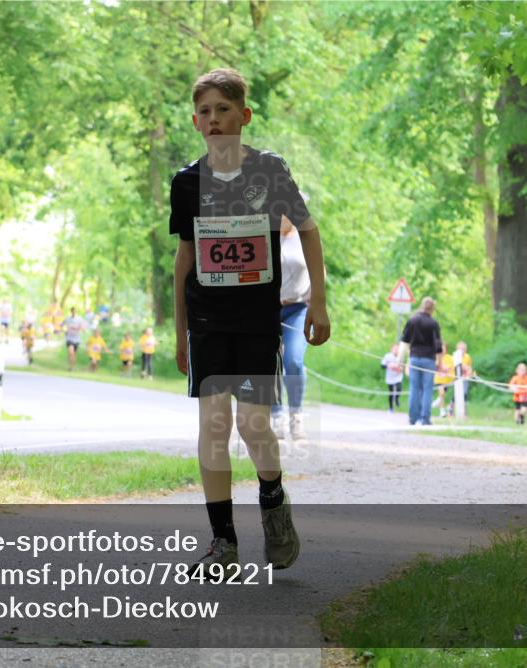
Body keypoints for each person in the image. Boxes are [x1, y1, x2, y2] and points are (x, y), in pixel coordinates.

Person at [170, 68, 330, 577]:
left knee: (253, 423)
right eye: (205, 112)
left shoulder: (270, 171)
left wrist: (319, 303)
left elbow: (308, 230)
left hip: (259, 318)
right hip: (207, 319)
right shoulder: (187, 182)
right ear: (195, 122)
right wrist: (179, 329)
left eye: (223, 109)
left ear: (244, 115)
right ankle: (223, 541)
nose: (214, 119)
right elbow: (184, 258)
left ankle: (274, 498)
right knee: (213, 425)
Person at [270, 213, 312, 441]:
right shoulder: (266, 234)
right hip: (269, 310)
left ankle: (296, 415)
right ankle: (276, 415)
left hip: (297, 308)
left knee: (293, 360)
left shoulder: (305, 235)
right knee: (271, 360)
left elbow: (319, 269)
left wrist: (317, 301)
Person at [399, 297, 442, 426]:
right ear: (432, 309)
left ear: (421, 306)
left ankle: (413, 417)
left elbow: (405, 341)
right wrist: (439, 361)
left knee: (414, 388)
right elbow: (438, 344)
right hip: (429, 358)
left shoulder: (412, 320)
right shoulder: (433, 323)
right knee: (427, 389)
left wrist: (401, 359)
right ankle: (425, 418)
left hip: (415, 357)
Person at [380, 344, 405, 412]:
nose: (396, 350)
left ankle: (396, 398)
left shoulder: (400, 357)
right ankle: (391, 408)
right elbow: (382, 365)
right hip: (390, 377)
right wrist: (389, 366)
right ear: (391, 349)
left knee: (399, 389)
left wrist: (399, 369)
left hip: (398, 376)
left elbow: (403, 366)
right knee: (390, 392)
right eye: (395, 349)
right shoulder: (387, 356)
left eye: (397, 349)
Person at [432, 343, 454, 419]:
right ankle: (442, 410)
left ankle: (437, 402)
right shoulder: (436, 357)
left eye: (444, 348)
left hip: (446, 380)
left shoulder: (450, 358)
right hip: (438, 379)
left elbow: (451, 368)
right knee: (441, 393)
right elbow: (434, 366)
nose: (442, 350)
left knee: (442, 395)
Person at [62, 307, 86, 371]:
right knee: (71, 352)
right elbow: (62, 325)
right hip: (69, 338)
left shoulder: (79, 319)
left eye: (75, 311)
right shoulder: (67, 319)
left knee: (74, 354)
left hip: (76, 339)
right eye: (72, 311)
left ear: (76, 312)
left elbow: (83, 327)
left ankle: (72, 366)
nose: (73, 312)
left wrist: (81, 328)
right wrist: (65, 331)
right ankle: (70, 366)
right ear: (71, 311)